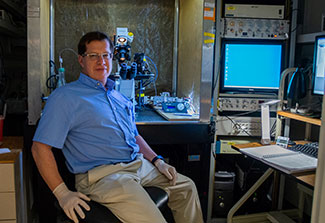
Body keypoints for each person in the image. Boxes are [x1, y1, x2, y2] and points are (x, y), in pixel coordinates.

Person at [32, 31, 204, 223]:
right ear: (81, 60)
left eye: (105, 55)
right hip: (104, 176)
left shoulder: (118, 96)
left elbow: (134, 135)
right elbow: (39, 147)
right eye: (93, 56)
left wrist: (157, 161)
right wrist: (63, 194)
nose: (101, 61)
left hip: (139, 165)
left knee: (187, 187)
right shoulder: (65, 97)